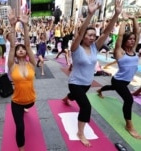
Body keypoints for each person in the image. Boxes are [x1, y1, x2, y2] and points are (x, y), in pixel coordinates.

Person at [62, 0, 122, 147]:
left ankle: (66, 98)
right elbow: (80, 32)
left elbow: (107, 31)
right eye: (89, 35)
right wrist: (90, 14)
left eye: (94, 35)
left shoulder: (95, 47)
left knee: (76, 97)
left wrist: (116, 14)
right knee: (86, 107)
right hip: (75, 82)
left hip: (87, 83)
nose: (92, 37)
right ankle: (80, 133)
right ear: (83, 37)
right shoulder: (76, 47)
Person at [96, 12, 141, 139]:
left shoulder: (133, 50)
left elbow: (137, 33)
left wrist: (133, 18)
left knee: (111, 88)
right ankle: (129, 126)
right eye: (130, 39)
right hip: (119, 81)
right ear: (125, 41)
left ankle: (100, 90)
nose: (132, 41)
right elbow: (120, 35)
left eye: (133, 39)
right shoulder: (119, 51)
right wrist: (123, 20)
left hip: (124, 82)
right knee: (128, 99)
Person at [8, 9, 36, 151]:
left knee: (27, 108)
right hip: (17, 102)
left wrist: (25, 25)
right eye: (18, 49)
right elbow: (12, 46)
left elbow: (28, 45)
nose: (20, 50)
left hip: (30, 101)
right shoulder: (12, 66)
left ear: (25, 52)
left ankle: (26, 109)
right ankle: (22, 149)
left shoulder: (32, 64)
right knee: (20, 127)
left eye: (22, 49)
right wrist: (13, 26)